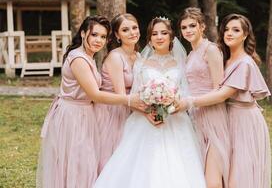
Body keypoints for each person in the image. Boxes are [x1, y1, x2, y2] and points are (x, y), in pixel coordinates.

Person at [93, 17, 206, 188]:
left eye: (164, 33)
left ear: (171, 36)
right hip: (144, 118)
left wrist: (172, 105)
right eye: (154, 33)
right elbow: (136, 93)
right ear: (150, 37)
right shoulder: (141, 61)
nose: (159, 37)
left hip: (175, 119)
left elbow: (185, 91)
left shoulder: (182, 61)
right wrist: (149, 112)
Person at [36, 15, 142, 188]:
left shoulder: (88, 56)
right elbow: (95, 94)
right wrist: (130, 100)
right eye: (94, 35)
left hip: (85, 113)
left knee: (85, 164)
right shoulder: (78, 59)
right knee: (76, 164)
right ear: (84, 33)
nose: (98, 40)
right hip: (72, 115)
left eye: (102, 36)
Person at [177, 13, 271, 188]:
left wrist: (189, 102)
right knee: (224, 174)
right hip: (227, 116)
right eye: (227, 29)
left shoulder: (244, 63)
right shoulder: (226, 59)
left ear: (245, 35)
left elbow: (222, 93)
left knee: (239, 176)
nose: (229, 33)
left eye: (236, 30)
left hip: (244, 121)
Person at [178, 7, 230, 188]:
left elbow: (219, 91)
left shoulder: (212, 50)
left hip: (213, 115)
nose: (188, 30)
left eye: (192, 25)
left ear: (202, 27)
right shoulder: (191, 55)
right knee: (200, 174)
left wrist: (191, 102)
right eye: (184, 27)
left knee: (213, 180)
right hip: (195, 117)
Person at [94, 13, 140, 173]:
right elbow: (121, 96)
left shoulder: (139, 56)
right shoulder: (115, 57)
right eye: (125, 30)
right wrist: (149, 111)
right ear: (117, 35)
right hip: (113, 112)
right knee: (112, 161)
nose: (132, 32)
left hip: (131, 109)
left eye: (134, 28)